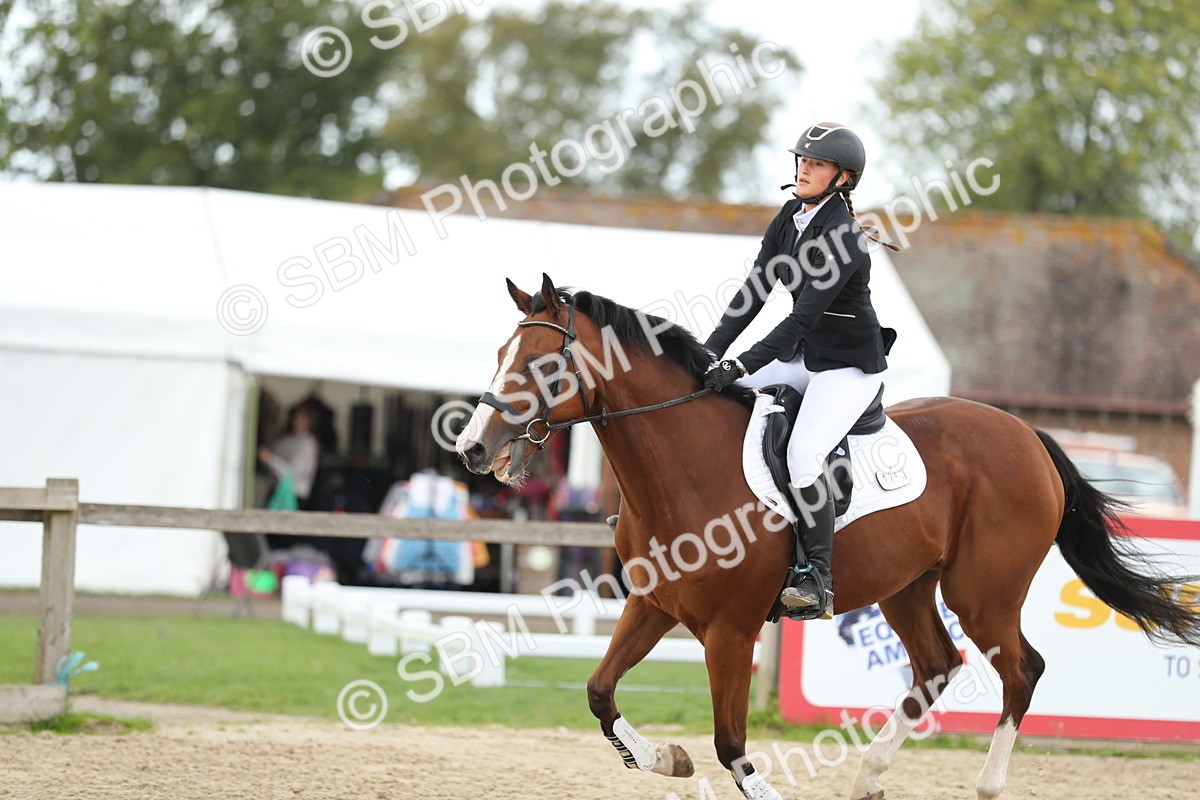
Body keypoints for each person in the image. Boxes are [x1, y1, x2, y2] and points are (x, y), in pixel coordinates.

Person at [702, 122, 898, 620]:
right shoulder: (789, 217)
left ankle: (817, 578)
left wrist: (741, 363)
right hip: (803, 357)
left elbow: (800, 319)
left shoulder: (845, 237)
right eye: (802, 161)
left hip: (846, 366)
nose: (804, 170)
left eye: (816, 164)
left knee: (804, 453)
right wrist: (708, 352)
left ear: (842, 178)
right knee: (707, 395)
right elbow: (753, 292)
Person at [259, 404, 320, 511]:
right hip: (276, 490)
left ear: (309, 422)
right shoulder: (284, 441)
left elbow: (293, 472)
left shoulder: (308, 444)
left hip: (294, 494)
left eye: (302, 418)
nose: (298, 422)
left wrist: (270, 458)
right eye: (295, 418)